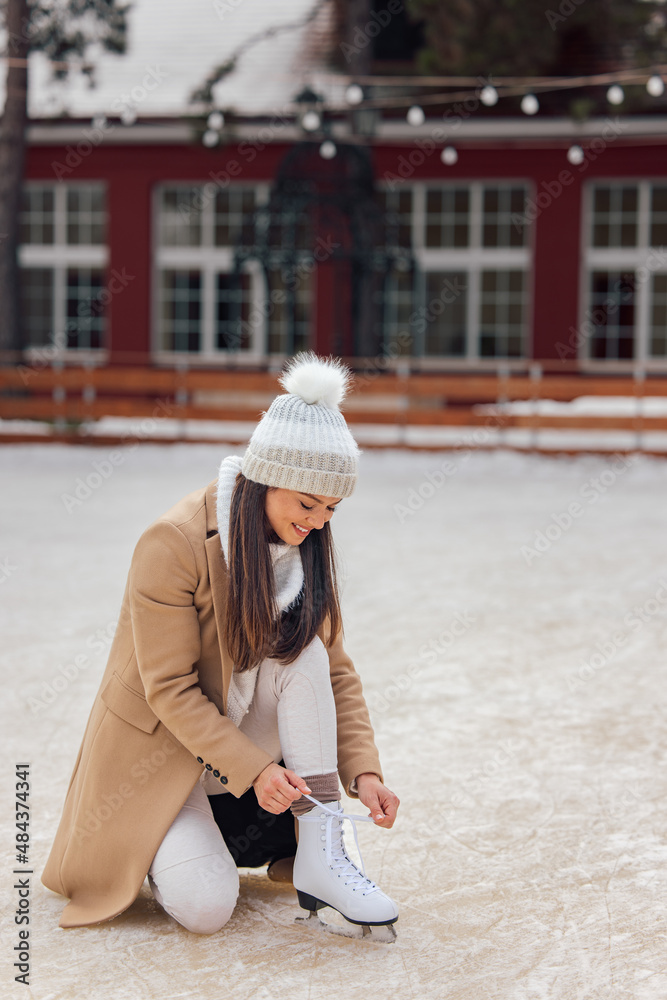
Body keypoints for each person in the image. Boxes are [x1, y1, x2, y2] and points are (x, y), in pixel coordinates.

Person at [41, 351, 400, 937]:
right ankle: (159, 844)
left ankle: (322, 851)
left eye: (331, 509)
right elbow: (170, 688)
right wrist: (255, 769)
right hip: (167, 753)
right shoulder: (172, 542)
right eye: (306, 503)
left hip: (242, 733)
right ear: (263, 480)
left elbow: (334, 669)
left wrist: (364, 772)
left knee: (305, 651)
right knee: (206, 910)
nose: (317, 523)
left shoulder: (305, 545)